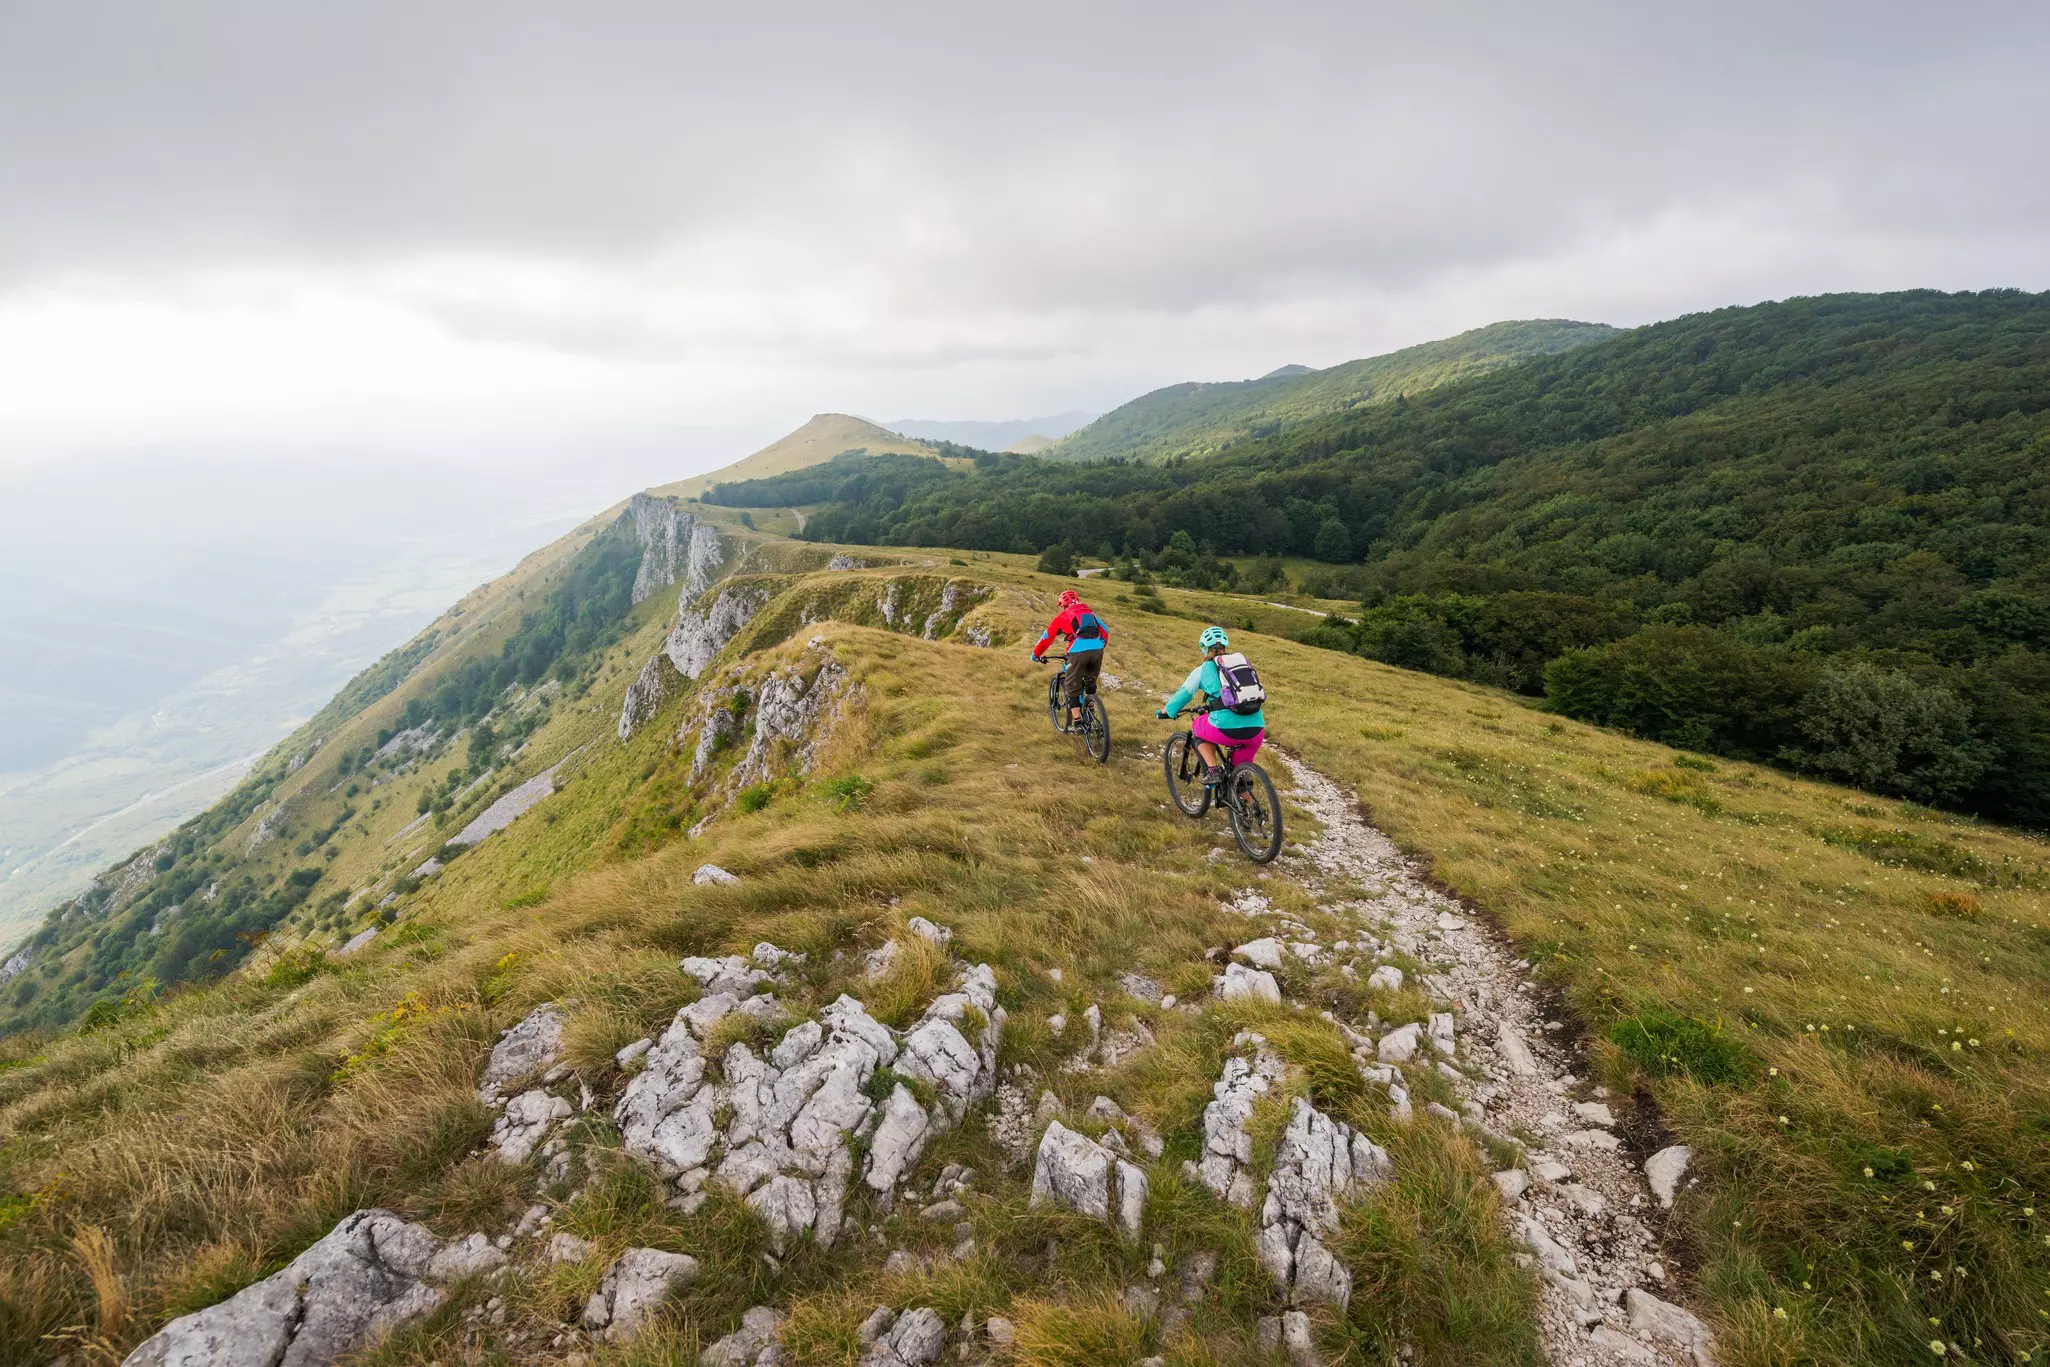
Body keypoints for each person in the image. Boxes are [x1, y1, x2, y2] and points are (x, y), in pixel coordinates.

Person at [1156, 625, 1266, 786]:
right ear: (1225, 645)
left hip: (1226, 729)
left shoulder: (1203, 669)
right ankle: (1251, 808)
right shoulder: (1240, 664)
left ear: (1203, 648)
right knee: (1239, 778)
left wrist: (1167, 712)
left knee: (1198, 727)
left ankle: (1213, 771)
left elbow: (1183, 695)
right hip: (1257, 729)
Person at [1031, 587, 1109, 729]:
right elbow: (1105, 631)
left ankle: (1078, 722)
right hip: (1097, 650)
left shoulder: (1063, 616)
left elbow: (1046, 638)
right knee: (1090, 682)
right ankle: (1090, 708)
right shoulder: (1089, 613)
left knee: (1071, 685)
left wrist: (1035, 655)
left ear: (1062, 605)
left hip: (1078, 652)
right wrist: (1099, 647)